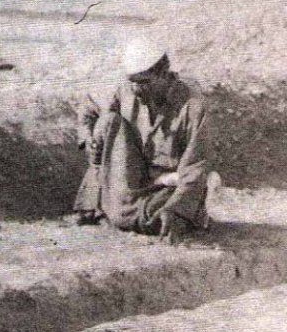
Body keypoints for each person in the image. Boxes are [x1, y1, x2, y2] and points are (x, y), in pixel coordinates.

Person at [74, 37, 210, 242]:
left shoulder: (193, 106)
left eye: (144, 82)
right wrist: (88, 139)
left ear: (163, 73)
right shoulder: (126, 90)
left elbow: (195, 167)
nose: (137, 89)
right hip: (130, 178)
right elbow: (89, 106)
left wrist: (176, 210)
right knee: (109, 121)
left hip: (165, 185)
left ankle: (125, 209)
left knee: (166, 211)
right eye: (133, 81)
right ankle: (96, 201)